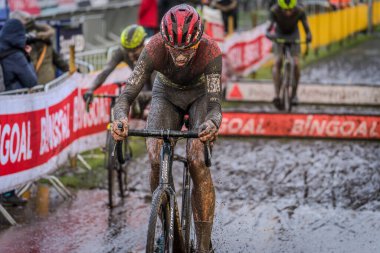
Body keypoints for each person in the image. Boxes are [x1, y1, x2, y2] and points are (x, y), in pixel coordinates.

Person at [112, 4, 222, 253]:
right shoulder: (153, 48)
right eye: (174, 49)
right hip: (166, 93)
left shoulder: (211, 50)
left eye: (187, 50)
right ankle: (168, 227)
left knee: (196, 160)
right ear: (164, 41)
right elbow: (126, 96)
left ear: (198, 41)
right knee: (154, 156)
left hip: (200, 95)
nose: (180, 56)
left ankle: (204, 244)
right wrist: (120, 119)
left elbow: (215, 106)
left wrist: (212, 123)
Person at [0, 18, 37, 206]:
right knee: (8, 150)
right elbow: (31, 81)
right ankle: (8, 192)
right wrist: (27, 57)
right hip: (10, 109)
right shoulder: (15, 54)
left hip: (4, 106)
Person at [83, 24, 152, 119]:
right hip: (142, 88)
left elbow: (157, 91)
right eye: (127, 51)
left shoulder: (152, 53)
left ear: (143, 44)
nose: (130, 55)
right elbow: (105, 71)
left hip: (155, 87)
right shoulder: (122, 51)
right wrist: (91, 89)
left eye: (134, 51)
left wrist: (139, 96)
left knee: (148, 114)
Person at [266, 0, 312, 109]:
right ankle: (277, 95)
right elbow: (268, 28)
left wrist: (309, 35)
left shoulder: (300, 10)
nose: (288, 13)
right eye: (285, 10)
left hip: (293, 36)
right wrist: (269, 34)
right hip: (279, 35)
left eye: (290, 10)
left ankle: (294, 94)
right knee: (277, 62)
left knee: (296, 64)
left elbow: (307, 29)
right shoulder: (274, 10)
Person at [10, 10, 69, 85]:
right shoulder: (44, 38)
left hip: (31, 87)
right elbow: (57, 59)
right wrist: (71, 70)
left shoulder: (17, 41)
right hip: (49, 83)